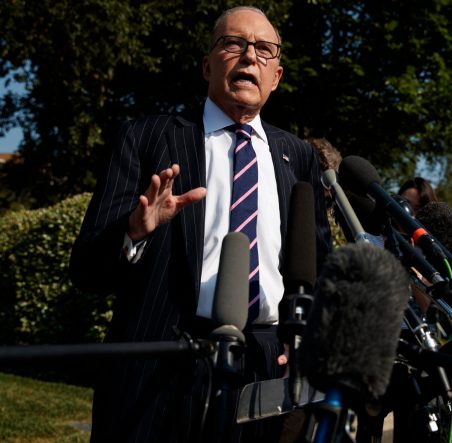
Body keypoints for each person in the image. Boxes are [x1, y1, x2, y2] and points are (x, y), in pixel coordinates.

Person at [69, 6, 331, 442]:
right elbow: (87, 269)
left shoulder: (297, 157)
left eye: (264, 50)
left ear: (277, 76)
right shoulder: (147, 137)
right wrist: (134, 232)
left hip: (261, 371)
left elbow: (316, 267)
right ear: (208, 65)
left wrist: (300, 338)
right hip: (158, 366)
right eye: (234, 43)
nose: (249, 56)